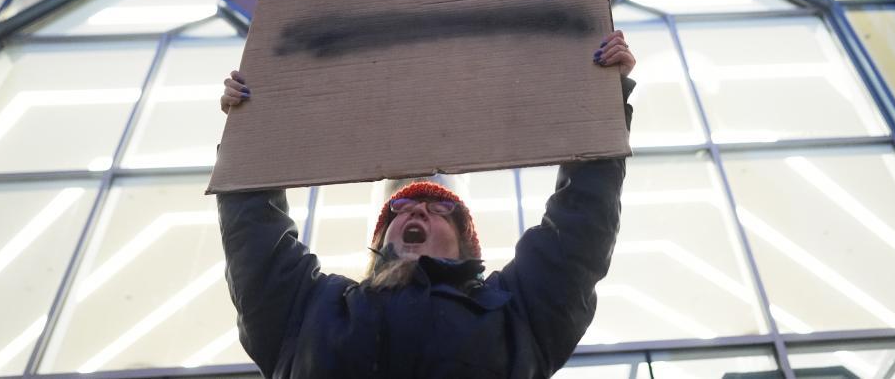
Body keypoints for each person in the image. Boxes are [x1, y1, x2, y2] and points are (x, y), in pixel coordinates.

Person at [216, 30, 636, 379]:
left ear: (466, 244)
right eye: (401, 208)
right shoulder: (305, 312)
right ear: (381, 237)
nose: (416, 210)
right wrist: (248, 127)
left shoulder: (518, 313)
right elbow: (253, 236)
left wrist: (604, 98)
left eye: (438, 209)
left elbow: (582, 223)